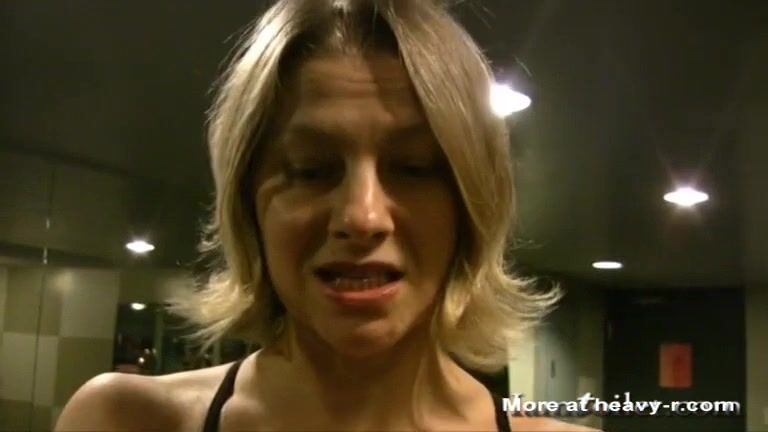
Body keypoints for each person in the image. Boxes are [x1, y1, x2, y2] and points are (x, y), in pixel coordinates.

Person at [56, 1, 597, 430]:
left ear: (472, 206)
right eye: (310, 170)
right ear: (248, 204)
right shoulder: (126, 420)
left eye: (413, 167)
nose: (362, 217)